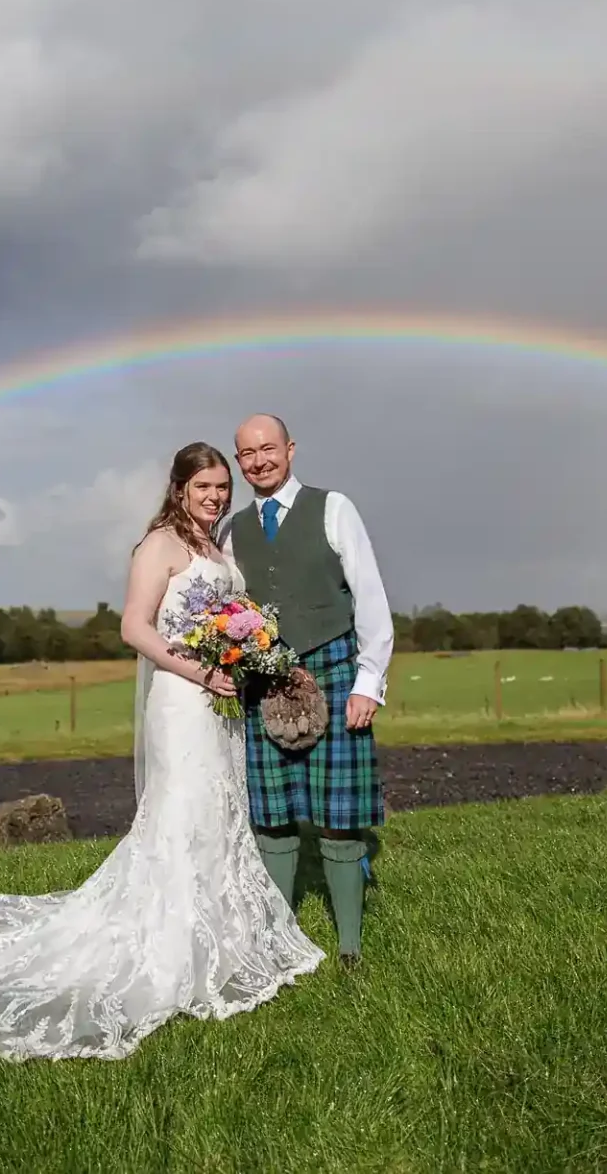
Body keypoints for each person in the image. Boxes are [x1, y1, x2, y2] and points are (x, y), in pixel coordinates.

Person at [0, 442, 324, 1061]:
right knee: (182, 816)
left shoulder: (216, 547)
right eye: (204, 486)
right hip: (183, 702)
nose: (215, 496)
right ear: (179, 488)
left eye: (221, 487)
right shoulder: (160, 543)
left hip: (220, 706)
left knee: (218, 815)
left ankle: (221, 938)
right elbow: (135, 627)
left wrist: (242, 656)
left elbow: (226, 619)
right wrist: (198, 671)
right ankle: (171, 950)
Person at [220, 413, 393, 968]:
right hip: (265, 684)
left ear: (290, 449)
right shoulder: (231, 529)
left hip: (336, 670)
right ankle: (281, 942)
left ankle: (349, 948)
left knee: (339, 819)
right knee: (272, 814)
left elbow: (369, 596)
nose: (258, 461)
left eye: (267, 448)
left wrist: (370, 683)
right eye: (246, 454)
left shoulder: (334, 507)